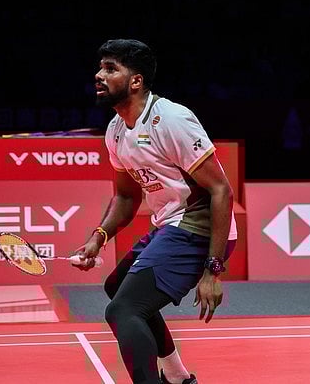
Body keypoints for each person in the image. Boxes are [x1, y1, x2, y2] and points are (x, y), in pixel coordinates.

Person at [74, 39, 237, 384]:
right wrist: (98, 237)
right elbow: (126, 198)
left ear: (135, 81)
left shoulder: (172, 120)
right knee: (117, 287)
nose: (99, 75)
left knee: (123, 309)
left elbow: (221, 189)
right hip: (171, 225)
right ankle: (177, 377)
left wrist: (213, 270)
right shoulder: (116, 131)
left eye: (110, 68)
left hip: (199, 228)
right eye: (101, 67)